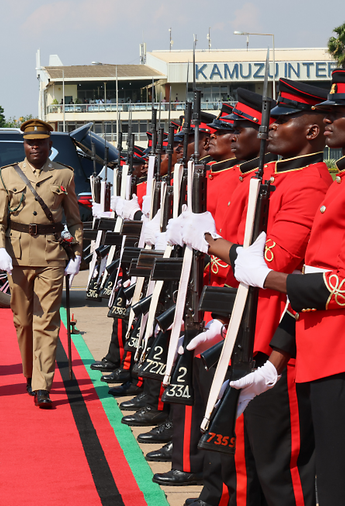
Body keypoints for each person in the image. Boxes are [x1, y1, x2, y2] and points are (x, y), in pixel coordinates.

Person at [227, 68, 345, 506]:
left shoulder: (319, 183)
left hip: (328, 349)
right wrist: (276, 353)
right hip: (304, 341)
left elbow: (319, 277)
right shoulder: (329, 184)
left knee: (302, 472)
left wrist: (259, 270)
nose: (330, 119)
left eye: (337, 112)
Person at [0, 119, 83, 409]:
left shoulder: (64, 175)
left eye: (40, 142)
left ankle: (43, 384)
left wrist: (77, 253)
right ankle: (29, 373)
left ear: (49, 145)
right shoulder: (7, 175)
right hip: (17, 256)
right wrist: (0, 250)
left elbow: (74, 218)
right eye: (30, 142)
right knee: (23, 320)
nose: (35, 147)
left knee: (47, 320)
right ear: (24, 145)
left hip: (51, 254)